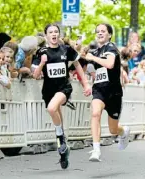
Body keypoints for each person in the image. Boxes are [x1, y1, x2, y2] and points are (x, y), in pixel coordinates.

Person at [33, 24, 91, 169]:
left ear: (59, 34)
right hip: (48, 90)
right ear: (46, 35)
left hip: (63, 88)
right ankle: (63, 153)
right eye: (51, 32)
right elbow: (35, 75)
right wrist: (42, 63)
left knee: (52, 109)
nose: (54, 34)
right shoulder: (41, 52)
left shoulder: (66, 49)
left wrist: (86, 84)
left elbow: (77, 65)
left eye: (56, 32)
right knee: (56, 113)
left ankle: (60, 136)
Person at [85, 23, 130, 162]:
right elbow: (95, 72)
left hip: (114, 93)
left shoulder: (111, 48)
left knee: (113, 130)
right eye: (97, 31)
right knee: (95, 113)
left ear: (109, 34)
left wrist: (92, 58)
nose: (99, 33)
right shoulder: (95, 51)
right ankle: (96, 149)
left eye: (103, 31)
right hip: (99, 90)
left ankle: (123, 132)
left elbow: (110, 64)